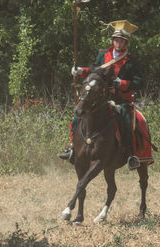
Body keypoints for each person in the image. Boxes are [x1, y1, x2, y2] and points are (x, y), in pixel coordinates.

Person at [58, 20, 143, 170]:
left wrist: (121, 83)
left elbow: (138, 81)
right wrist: (80, 71)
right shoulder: (103, 55)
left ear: (126, 43)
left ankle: (130, 155)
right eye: (116, 40)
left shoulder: (131, 62)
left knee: (126, 119)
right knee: (78, 115)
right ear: (113, 41)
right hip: (99, 98)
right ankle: (72, 147)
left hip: (120, 99)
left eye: (121, 41)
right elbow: (94, 72)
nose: (118, 43)